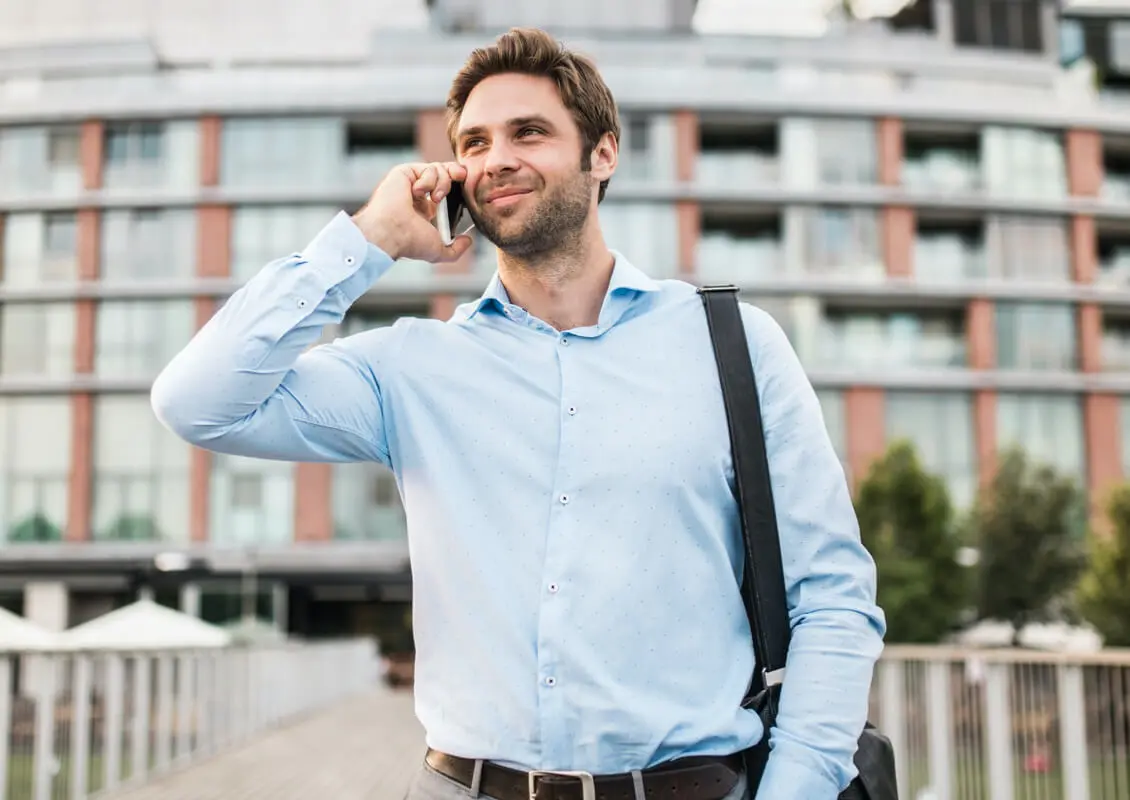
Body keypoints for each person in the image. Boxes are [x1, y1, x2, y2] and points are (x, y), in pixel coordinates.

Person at [151, 26, 886, 800]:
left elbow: (831, 597)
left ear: (603, 154)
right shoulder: (411, 367)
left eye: (528, 132)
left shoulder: (732, 343)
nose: (495, 157)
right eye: (473, 141)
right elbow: (198, 401)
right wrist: (367, 240)